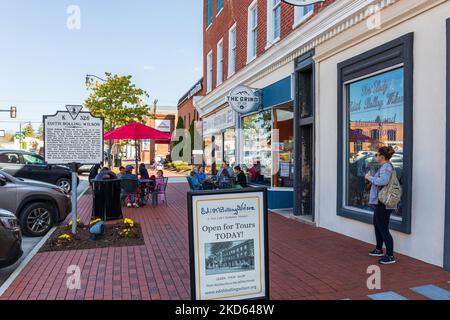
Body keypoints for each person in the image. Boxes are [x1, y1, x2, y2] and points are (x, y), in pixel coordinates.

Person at [365, 146, 397, 265]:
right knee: (377, 224)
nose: (376, 157)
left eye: (377, 155)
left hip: (384, 202)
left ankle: (390, 255)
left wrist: (369, 177)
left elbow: (383, 181)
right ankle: (379, 249)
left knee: (383, 228)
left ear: (382, 157)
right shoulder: (385, 166)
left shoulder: (386, 167)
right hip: (380, 201)